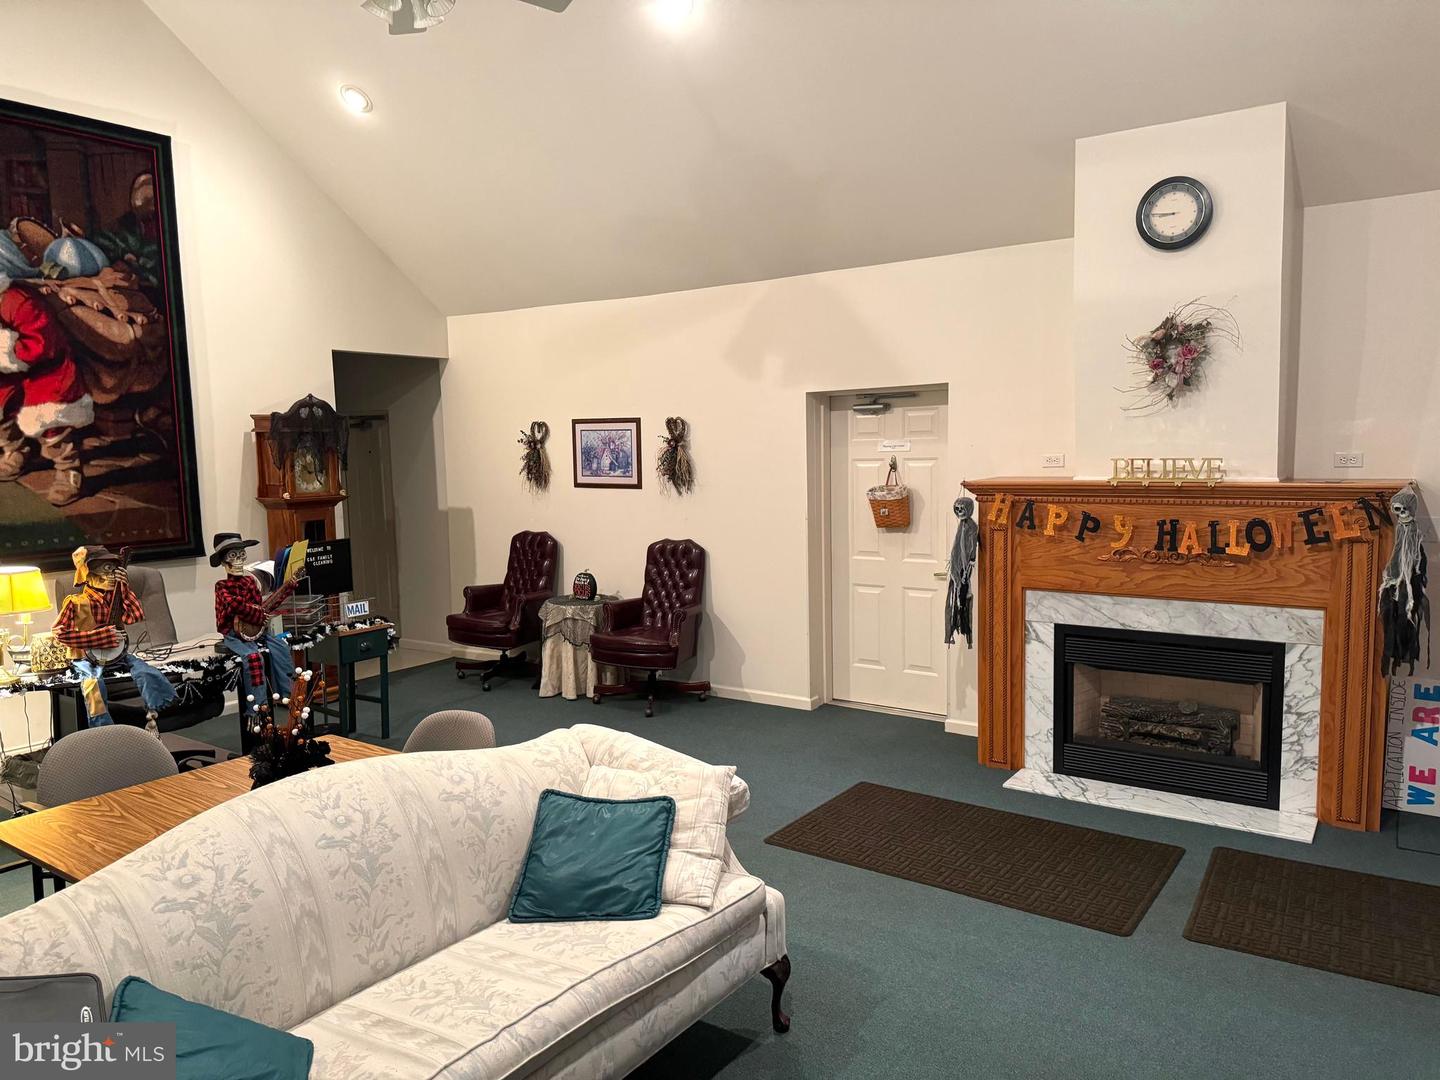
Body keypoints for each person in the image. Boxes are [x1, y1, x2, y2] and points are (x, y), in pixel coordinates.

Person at [52, 545, 178, 726]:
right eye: (105, 569)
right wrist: (97, 637)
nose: (111, 575)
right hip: (85, 657)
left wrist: (124, 588)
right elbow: (59, 632)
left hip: (117, 654)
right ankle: (103, 727)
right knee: (93, 684)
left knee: (144, 670)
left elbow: (134, 616)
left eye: (113, 569)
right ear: (87, 573)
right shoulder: (75, 602)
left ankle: (161, 707)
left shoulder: (116, 598)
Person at [0, 273, 93, 506]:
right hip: (8, 368)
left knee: (48, 414)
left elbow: (42, 344)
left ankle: (68, 469)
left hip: (47, 367)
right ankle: (15, 450)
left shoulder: (17, 301)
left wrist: (5, 350)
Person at [212, 532, 300, 716]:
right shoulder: (221, 586)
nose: (238, 561)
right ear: (223, 562)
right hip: (233, 634)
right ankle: (257, 707)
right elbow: (236, 605)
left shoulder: (250, 582)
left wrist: (286, 588)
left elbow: (264, 607)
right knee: (253, 657)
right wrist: (259, 615)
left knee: (281, 647)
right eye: (232, 556)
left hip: (256, 630)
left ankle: (288, 695)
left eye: (241, 555)